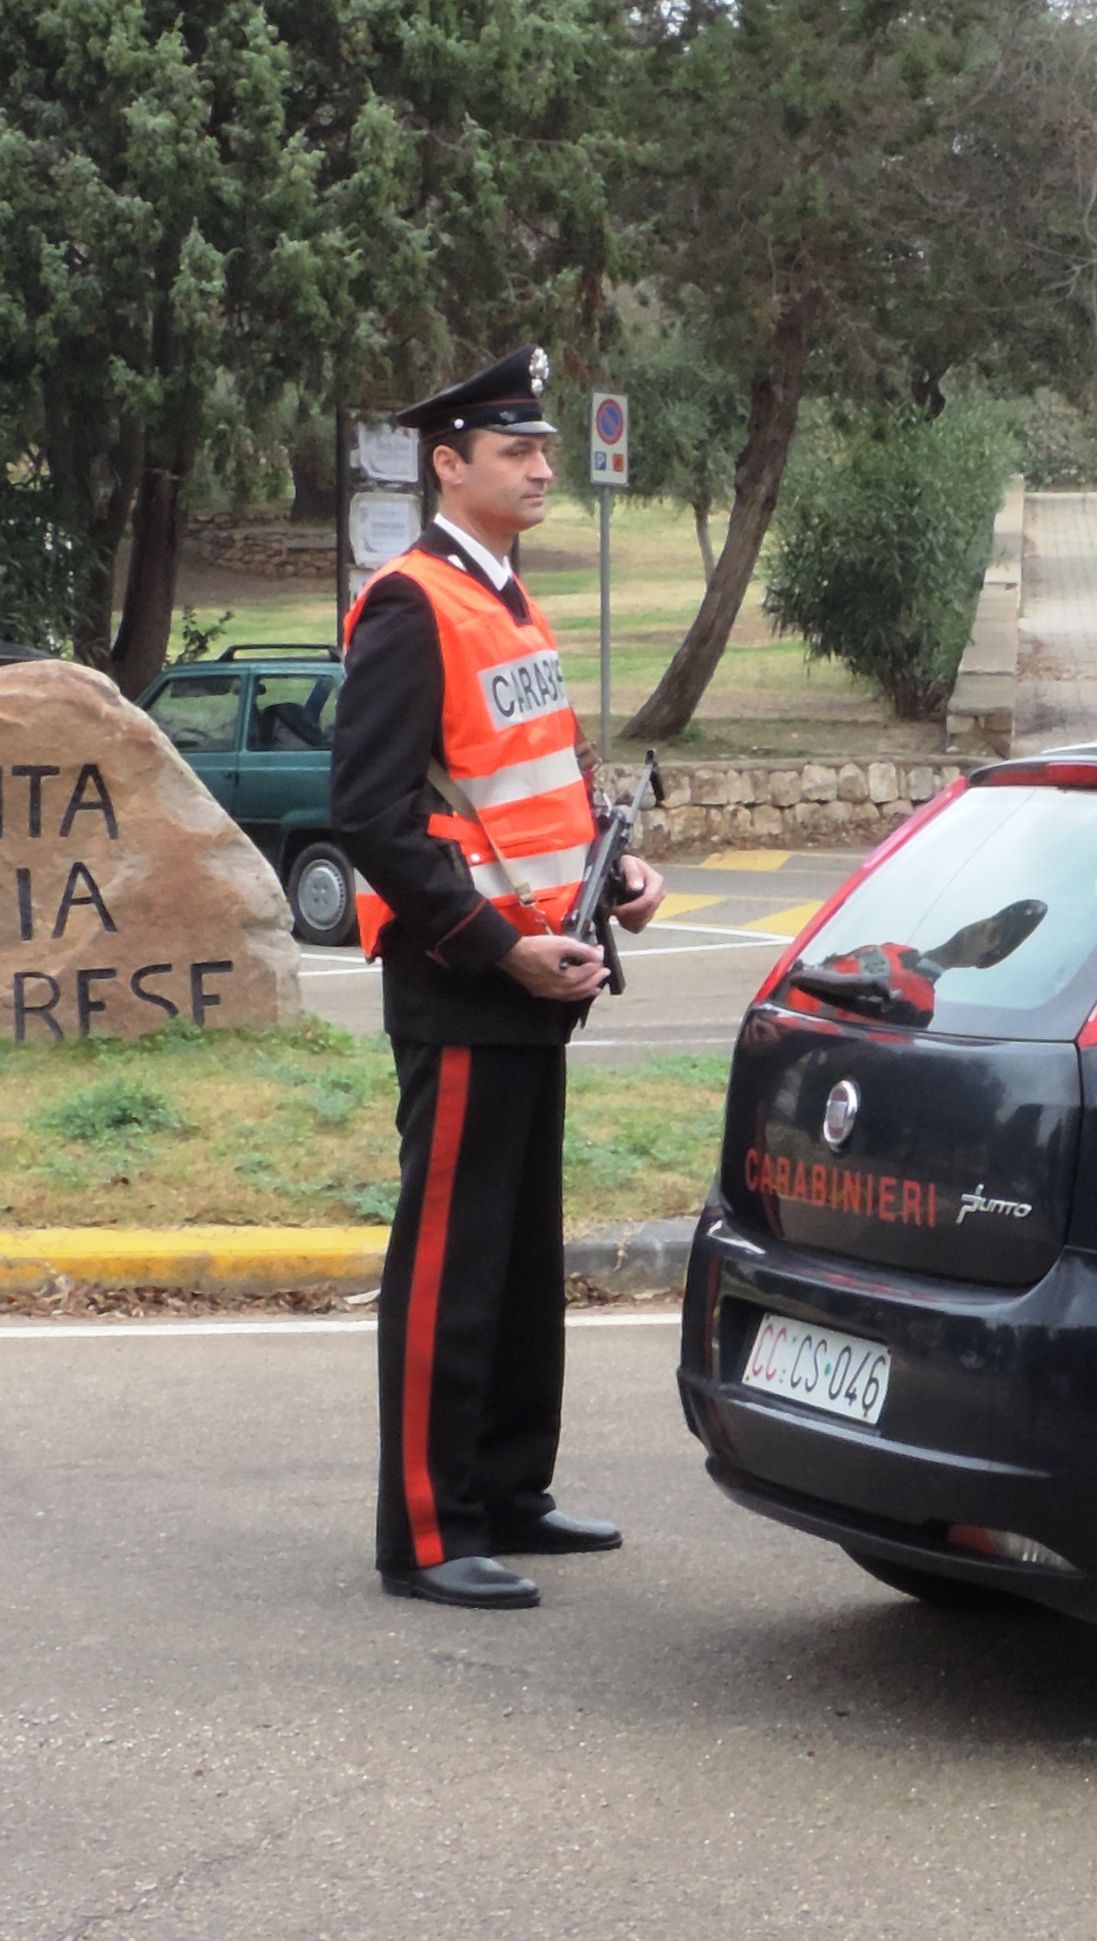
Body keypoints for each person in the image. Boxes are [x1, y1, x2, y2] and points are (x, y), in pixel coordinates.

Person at [334, 346, 670, 1608]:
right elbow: (371, 815)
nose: (544, 466)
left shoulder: (509, 596)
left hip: (545, 970)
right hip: (470, 979)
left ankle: (508, 1491)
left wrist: (613, 874)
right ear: (448, 464)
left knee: (523, 1256)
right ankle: (427, 1528)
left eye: (543, 448)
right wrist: (495, 945)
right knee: (451, 1259)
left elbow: (534, 778)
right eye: (516, 450)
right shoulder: (415, 600)